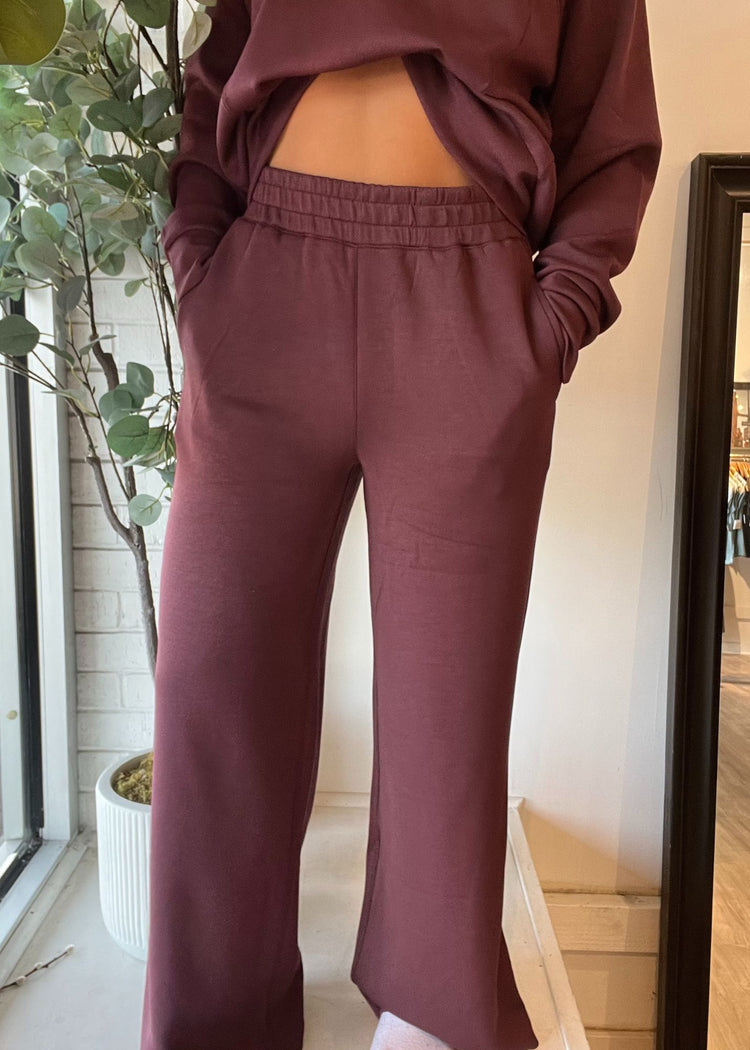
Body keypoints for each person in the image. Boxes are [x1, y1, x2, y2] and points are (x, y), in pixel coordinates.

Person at [140, 3, 662, 1049]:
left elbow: (612, 127)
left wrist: (548, 323)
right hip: (265, 292)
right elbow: (221, 69)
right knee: (213, 691)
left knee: (447, 721)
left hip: (466, 300)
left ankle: (431, 1015)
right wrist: (200, 263)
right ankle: (211, 1025)